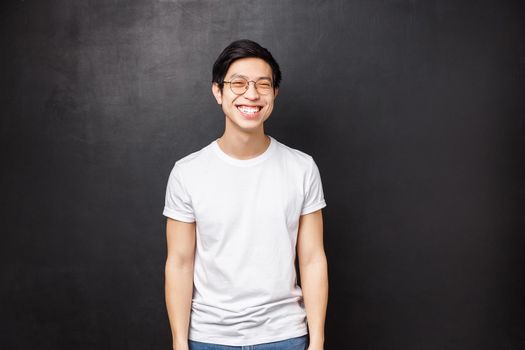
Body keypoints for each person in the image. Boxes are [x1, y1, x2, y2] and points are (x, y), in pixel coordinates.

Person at [163, 39, 328, 350]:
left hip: (285, 336)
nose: (251, 94)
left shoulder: (301, 167)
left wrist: (317, 341)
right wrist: (179, 343)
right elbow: (180, 262)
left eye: (263, 84)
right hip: (208, 338)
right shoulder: (187, 172)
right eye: (238, 83)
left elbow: (312, 258)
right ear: (218, 91)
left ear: (274, 93)